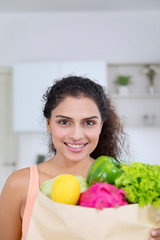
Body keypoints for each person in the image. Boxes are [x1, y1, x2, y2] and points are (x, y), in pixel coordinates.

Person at [0, 75, 159, 240]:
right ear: (49, 124)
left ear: (101, 126)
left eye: (89, 123)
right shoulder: (20, 184)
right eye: (64, 122)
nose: (76, 135)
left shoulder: (122, 182)